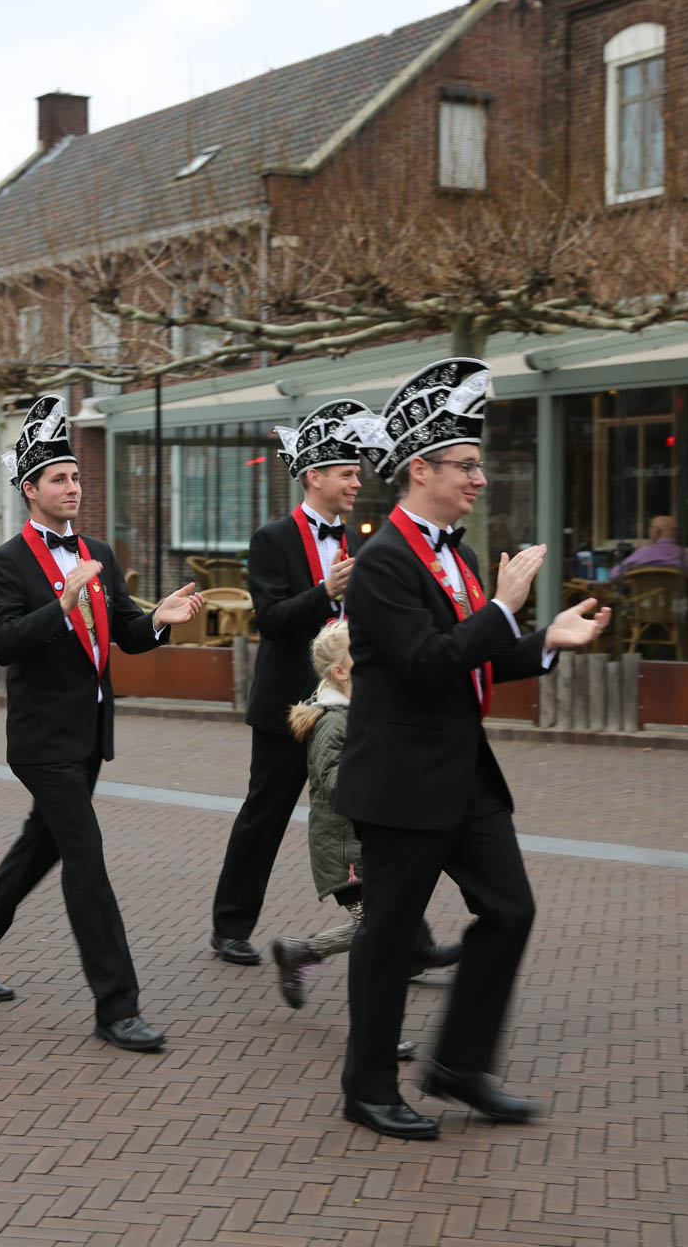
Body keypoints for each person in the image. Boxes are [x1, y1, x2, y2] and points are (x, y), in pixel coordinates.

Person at [335, 358, 609, 1139]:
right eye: (465, 465)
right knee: (390, 935)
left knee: (510, 908)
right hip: (401, 781)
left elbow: (471, 652)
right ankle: (367, 1089)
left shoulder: (449, 551)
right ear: (420, 470)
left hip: (462, 775)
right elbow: (428, 663)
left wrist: (544, 640)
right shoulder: (384, 561)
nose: (480, 479)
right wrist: (506, 606)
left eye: (478, 465)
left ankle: (458, 1066)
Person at [0, 396, 203, 1051]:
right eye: (59, 479)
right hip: (41, 740)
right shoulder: (7, 562)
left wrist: (160, 620)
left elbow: (125, 633)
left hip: (88, 735)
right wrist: (61, 604)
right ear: (30, 489)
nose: (73, 488)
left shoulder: (97, 550)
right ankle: (117, 1007)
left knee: (41, 845)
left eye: (76, 477)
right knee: (85, 859)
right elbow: (3, 643)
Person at [207, 398, 456, 980]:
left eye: (358, 473)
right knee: (265, 817)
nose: (357, 483)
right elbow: (270, 621)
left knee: (365, 825)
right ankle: (230, 927)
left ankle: (406, 942)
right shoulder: (272, 539)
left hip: (350, 707)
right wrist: (324, 591)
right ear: (313, 477)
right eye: (346, 473)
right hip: (288, 708)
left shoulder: (363, 540)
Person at [268, 620, 440, 1049]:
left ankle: (302, 952)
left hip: (365, 845)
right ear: (341, 671)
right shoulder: (333, 722)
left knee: (381, 930)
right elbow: (334, 783)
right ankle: (376, 1032)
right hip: (346, 850)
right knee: (377, 936)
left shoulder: (361, 710)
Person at [610, 515, 688, 578]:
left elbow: (615, 574)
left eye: (651, 528)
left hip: (642, 596)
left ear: (657, 532)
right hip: (676, 597)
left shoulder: (643, 553)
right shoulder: (685, 556)